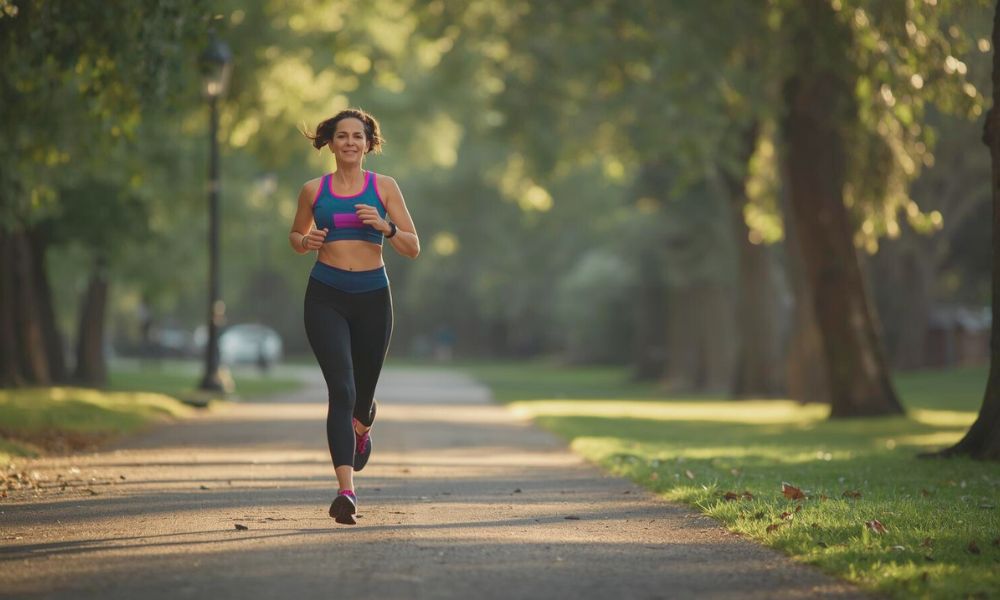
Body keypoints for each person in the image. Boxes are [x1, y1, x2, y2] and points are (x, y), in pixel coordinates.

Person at [289, 108, 420, 524]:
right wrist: (305, 240)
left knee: (361, 400)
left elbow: (413, 247)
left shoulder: (384, 187)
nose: (349, 142)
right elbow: (295, 236)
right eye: (341, 136)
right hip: (325, 296)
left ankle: (362, 427)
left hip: (372, 299)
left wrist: (386, 227)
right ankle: (346, 491)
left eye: (357, 136)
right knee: (340, 390)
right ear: (329, 142)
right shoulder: (313, 190)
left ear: (368, 144)